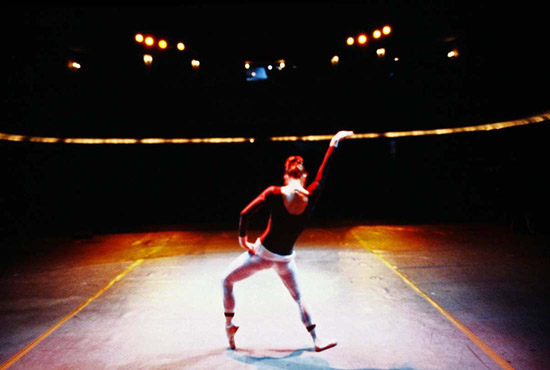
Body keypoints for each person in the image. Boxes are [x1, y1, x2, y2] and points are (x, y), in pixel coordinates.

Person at [221, 130, 354, 352]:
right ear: (304, 176)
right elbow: (323, 173)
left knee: (226, 281)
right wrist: (334, 142)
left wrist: (244, 241)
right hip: (285, 260)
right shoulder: (312, 194)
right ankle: (316, 339)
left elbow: (245, 214)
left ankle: (230, 326)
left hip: (261, 255)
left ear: (286, 175)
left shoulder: (274, 192)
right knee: (299, 297)